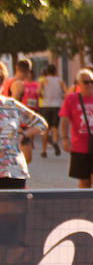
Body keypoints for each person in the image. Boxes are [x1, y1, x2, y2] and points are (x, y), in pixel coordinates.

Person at [59, 68, 93, 188]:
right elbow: (64, 120)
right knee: (84, 181)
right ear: (78, 84)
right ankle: (86, 206)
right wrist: (65, 138)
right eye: (86, 82)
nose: (90, 84)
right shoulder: (71, 99)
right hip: (79, 146)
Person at [0, 61, 47, 189]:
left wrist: (22, 134)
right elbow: (41, 124)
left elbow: (41, 124)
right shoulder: (11, 104)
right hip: (14, 170)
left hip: (11, 171)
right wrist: (23, 134)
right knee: (15, 209)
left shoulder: (11, 103)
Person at [38, 64, 65, 157]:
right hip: (56, 106)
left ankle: (43, 150)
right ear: (55, 71)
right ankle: (55, 142)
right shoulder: (60, 81)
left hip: (45, 106)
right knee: (54, 127)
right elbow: (66, 92)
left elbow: (38, 92)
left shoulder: (44, 81)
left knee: (45, 129)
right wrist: (61, 96)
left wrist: (42, 96)